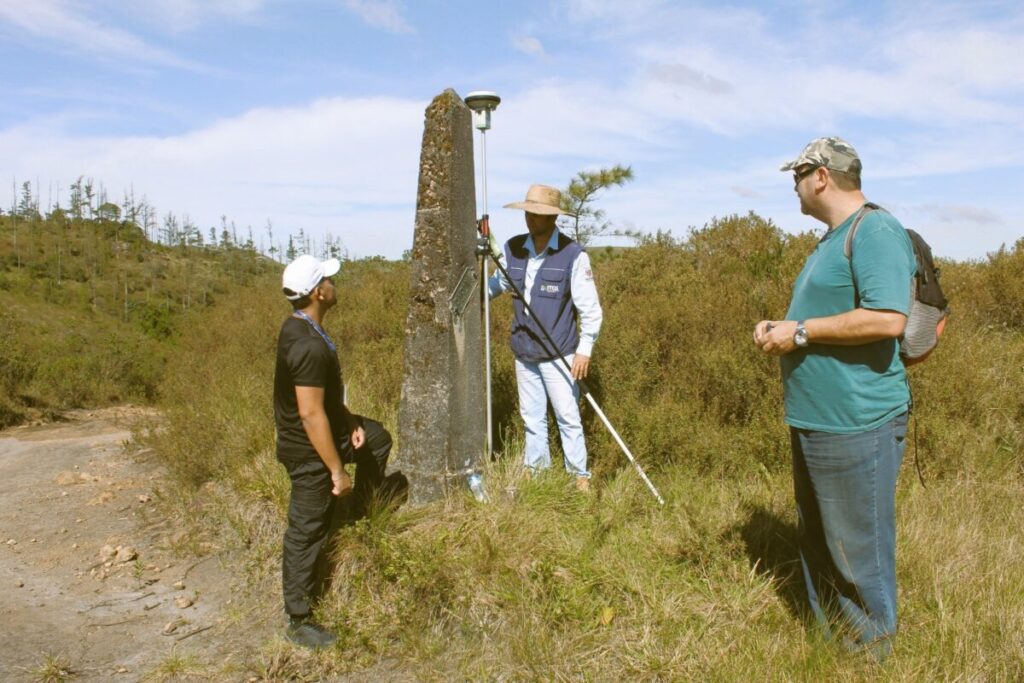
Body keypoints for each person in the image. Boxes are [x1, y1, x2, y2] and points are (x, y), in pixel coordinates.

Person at [754, 137, 916, 660]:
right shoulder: (831, 238)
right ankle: (831, 653)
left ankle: (872, 657)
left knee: (857, 551)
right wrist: (784, 326)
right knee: (822, 545)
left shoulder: (876, 230)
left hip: (857, 422)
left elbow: (888, 319)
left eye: (796, 175)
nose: (794, 187)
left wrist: (798, 333)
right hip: (818, 419)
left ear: (820, 176)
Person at [273, 254, 393, 649]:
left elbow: (324, 401)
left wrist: (351, 421)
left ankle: (359, 514)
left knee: (376, 438)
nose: (333, 284)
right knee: (307, 528)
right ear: (317, 292)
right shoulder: (307, 344)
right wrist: (337, 471)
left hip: (326, 434)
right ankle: (299, 618)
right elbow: (309, 414)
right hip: (309, 451)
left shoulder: (305, 329)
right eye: (328, 279)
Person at [489, 184, 603, 491]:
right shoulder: (513, 249)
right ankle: (536, 472)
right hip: (524, 352)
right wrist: (478, 289)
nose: (531, 218)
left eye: (538, 214)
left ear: (553, 218)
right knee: (532, 418)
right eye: (528, 211)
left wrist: (585, 349)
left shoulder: (573, 255)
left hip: (560, 353)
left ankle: (579, 476)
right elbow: (496, 285)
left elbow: (590, 309)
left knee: (568, 417)